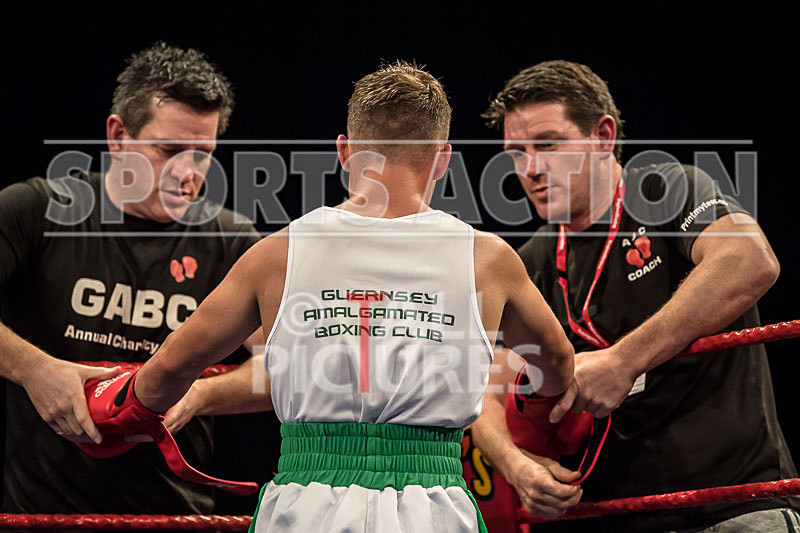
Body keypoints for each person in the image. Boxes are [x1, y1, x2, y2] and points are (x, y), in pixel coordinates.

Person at [95, 60, 578, 532]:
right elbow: (555, 359)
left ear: (344, 151)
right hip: (434, 508)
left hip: (305, 507)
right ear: (442, 160)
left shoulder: (278, 253)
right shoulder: (487, 259)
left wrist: (110, 409)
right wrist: (544, 421)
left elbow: (169, 371)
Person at [471, 60, 800, 531]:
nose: (531, 169)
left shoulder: (668, 188)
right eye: (516, 153)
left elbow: (750, 261)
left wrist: (623, 361)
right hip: (609, 516)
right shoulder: (529, 260)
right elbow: (485, 386)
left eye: (548, 144)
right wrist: (515, 465)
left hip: (732, 507)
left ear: (603, 136)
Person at [0, 42, 271, 517]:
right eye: (168, 150)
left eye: (203, 155)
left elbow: (283, 370)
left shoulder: (233, 243)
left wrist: (199, 393)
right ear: (118, 136)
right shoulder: (37, 210)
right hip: (41, 516)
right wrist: (34, 369)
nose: (188, 174)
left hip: (177, 517)